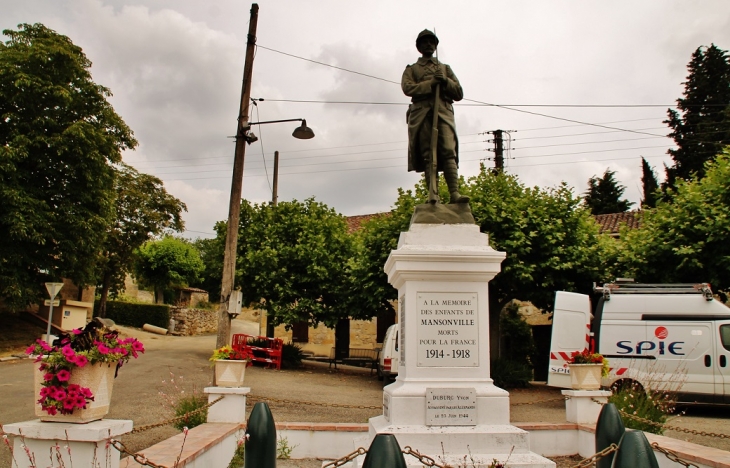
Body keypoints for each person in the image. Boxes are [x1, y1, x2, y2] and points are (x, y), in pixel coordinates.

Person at [402, 29, 469, 204]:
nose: (429, 45)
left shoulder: (444, 69)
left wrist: (445, 81)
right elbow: (408, 88)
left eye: (432, 42)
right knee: (428, 154)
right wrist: (431, 83)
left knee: (448, 150)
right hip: (422, 113)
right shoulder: (412, 69)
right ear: (419, 47)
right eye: (425, 42)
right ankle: (433, 194)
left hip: (443, 112)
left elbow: (459, 93)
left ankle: (454, 193)